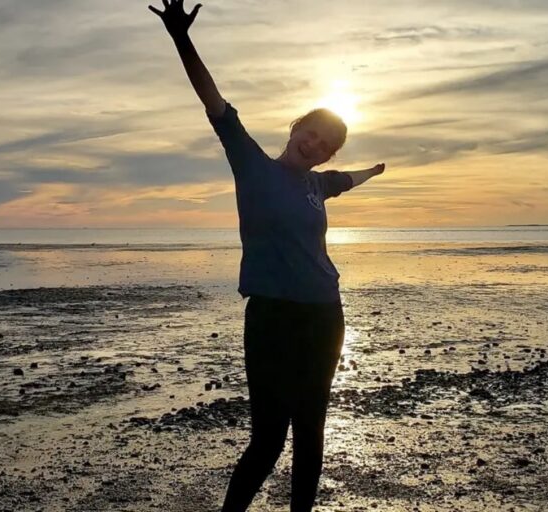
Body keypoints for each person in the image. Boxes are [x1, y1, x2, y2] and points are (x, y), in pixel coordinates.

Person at [149, 1, 385, 510]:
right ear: (295, 128)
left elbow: (346, 181)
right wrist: (181, 38)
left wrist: (372, 172)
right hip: (271, 318)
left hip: (325, 316)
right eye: (311, 134)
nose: (314, 145)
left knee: (312, 434)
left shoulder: (317, 186)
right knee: (269, 438)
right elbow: (217, 106)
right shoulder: (254, 167)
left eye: (325, 145)